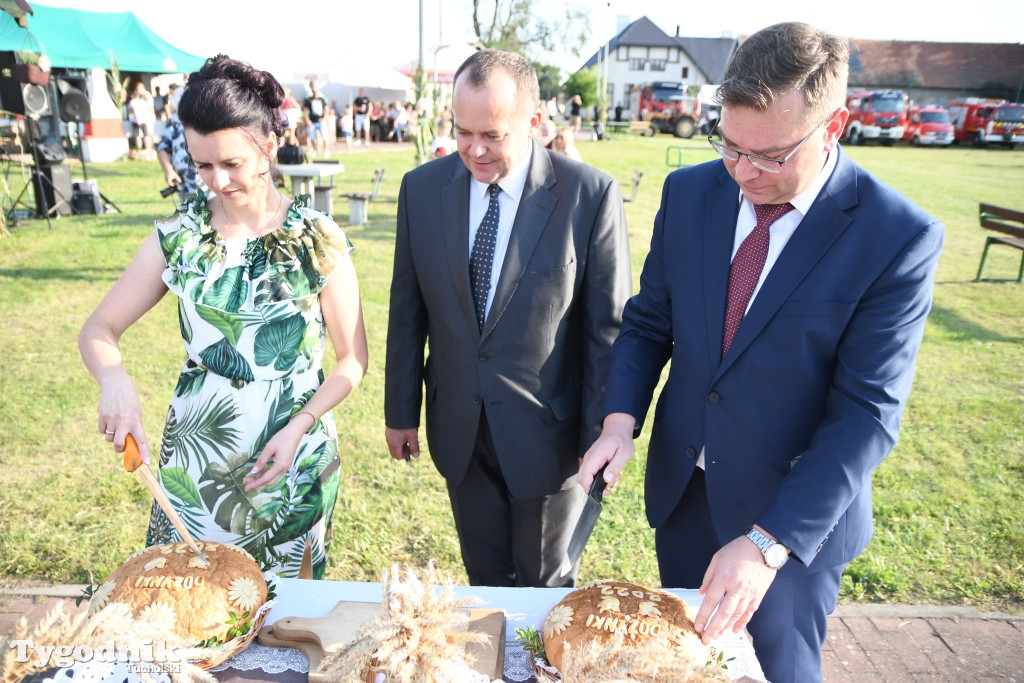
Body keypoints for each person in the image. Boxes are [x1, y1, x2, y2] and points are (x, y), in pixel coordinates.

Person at [576, 22, 944, 683]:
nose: (743, 171)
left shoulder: (897, 237)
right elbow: (649, 322)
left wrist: (768, 541)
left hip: (793, 527)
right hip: (683, 497)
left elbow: (866, 415)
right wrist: (619, 422)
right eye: (729, 145)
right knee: (680, 667)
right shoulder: (689, 194)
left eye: (770, 156)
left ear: (835, 125)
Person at [79, 54, 369, 580]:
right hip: (198, 455)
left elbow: (352, 362)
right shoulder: (180, 237)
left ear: (268, 145)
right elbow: (99, 328)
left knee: (281, 625)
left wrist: (300, 426)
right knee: (193, 609)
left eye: (231, 163)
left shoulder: (318, 238)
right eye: (202, 165)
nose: (217, 180)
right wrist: (113, 376)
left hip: (294, 455)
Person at [384, 49, 631, 588]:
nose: (474, 149)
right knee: (486, 581)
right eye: (462, 130)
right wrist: (400, 410)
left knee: (544, 590)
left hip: (552, 440)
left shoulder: (589, 195)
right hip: (460, 431)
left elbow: (606, 332)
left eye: (492, 134)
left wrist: (601, 435)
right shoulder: (422, 191)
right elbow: (408, 311)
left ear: (535, 122)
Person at [156, 85, 197, 203]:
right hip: (184, 183)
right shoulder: (175, 121)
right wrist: (168, 170)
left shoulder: (209, 118)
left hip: (210, 186)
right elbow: (162, 148)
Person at [303, 82, 329, 157]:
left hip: (321, 121)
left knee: (324, 136)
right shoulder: (309, 100)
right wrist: (307, 120)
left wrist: (324, 118)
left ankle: (325, 150)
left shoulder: (321, 100)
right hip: (312, 121)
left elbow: (326, 109)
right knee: (312, 137)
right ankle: (314, 149)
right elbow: (306, 111)